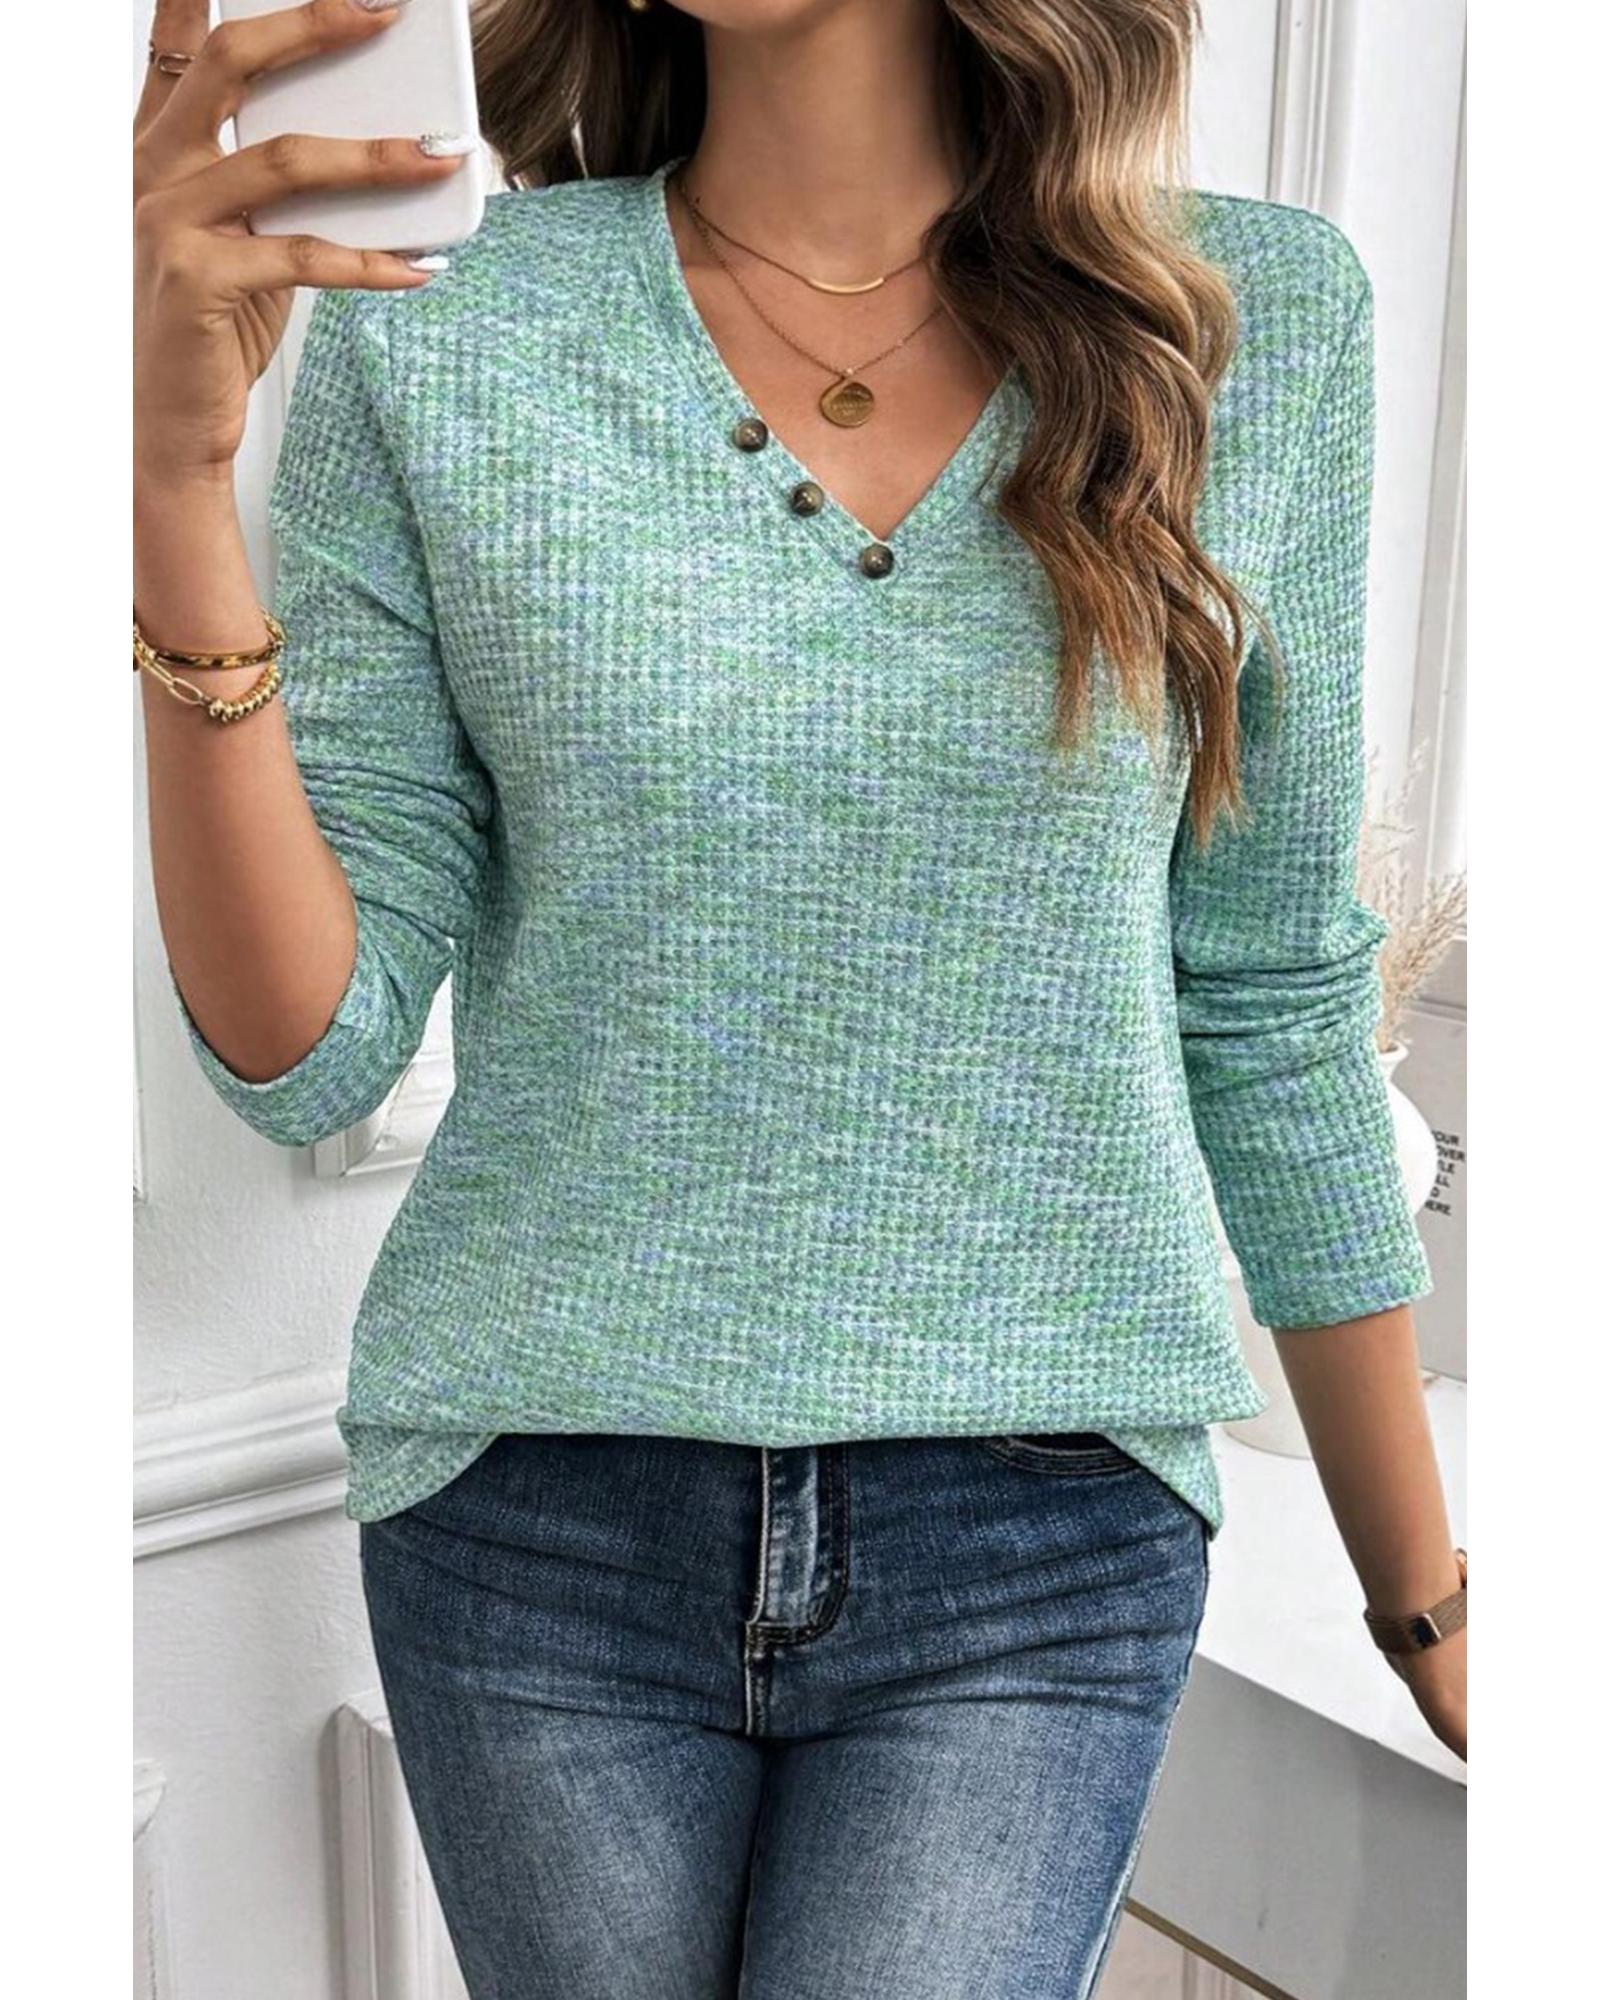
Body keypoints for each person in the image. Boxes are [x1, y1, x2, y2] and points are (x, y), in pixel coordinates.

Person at [132, 1, 1467, 1993]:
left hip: (1037, 1534)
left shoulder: (1245, 319)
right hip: (535, 1523)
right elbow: (305, 1050)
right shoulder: (445, 324)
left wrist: (1425, 1601)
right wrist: (170, 486)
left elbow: (1268, 999)